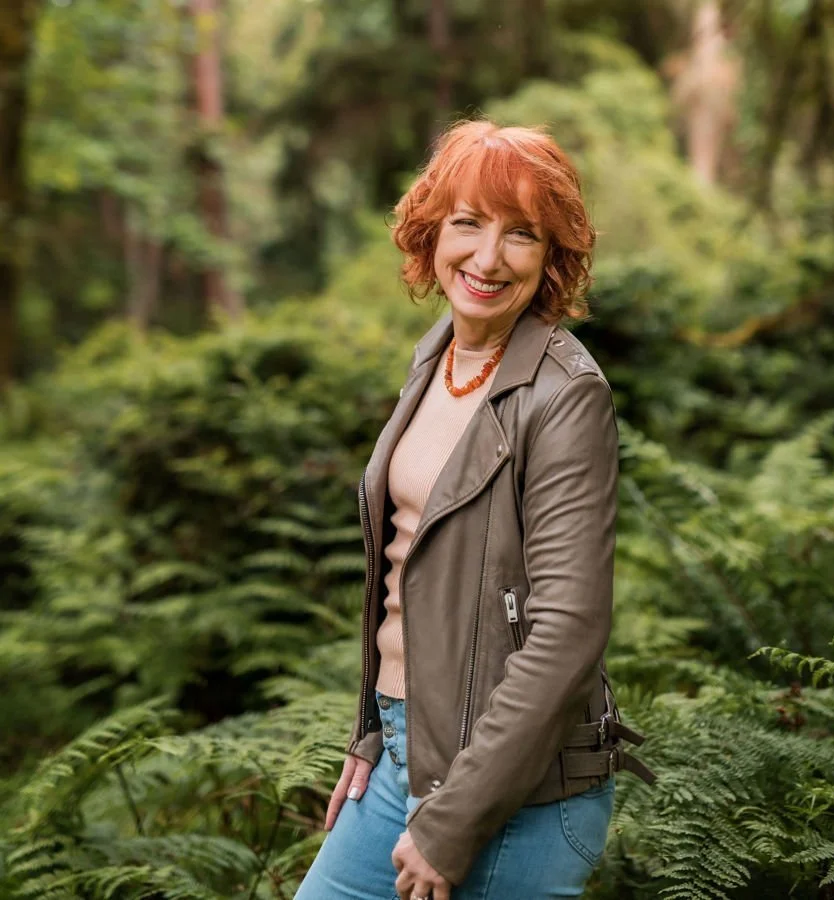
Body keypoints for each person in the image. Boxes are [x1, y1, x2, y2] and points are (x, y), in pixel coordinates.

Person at [294, 119, 655, 900]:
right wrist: (372, 726)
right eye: (468, 224)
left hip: (512, 796)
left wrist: (453, 822)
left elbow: (567, 632)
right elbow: (409, 572)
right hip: (404, 754)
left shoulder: (566, 396)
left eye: (521, 235)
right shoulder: (436, 358)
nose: (488, 259)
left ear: (552, 255)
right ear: (431, 233)